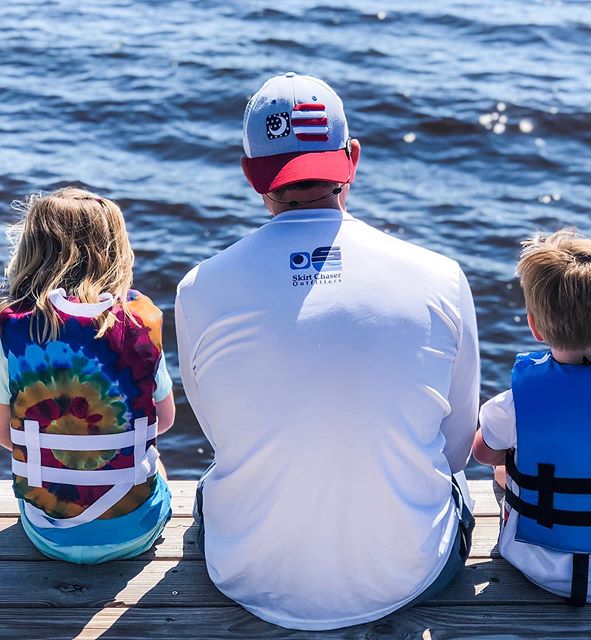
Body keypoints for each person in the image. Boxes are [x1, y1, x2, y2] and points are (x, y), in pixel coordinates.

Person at [176, 73, 479, 630]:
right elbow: (457, 447)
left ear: (250, 175)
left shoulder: (199, 287)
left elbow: (223, 432)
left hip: (245, 574)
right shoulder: (441, 277)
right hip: (406, 577)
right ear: (352, 159)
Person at [0, 187, 175, 564]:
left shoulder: (9, 328)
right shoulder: (140, 321)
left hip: (47, 533)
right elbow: (164, 419)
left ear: (30, 248)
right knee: (153, 458)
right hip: (134, 531)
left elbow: (3, 433)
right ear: (116, 249)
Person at [473, 229, 591, 606]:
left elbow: (482, 453)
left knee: (505, 466)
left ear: (534, 326)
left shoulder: (514, 402)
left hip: (535, 566)